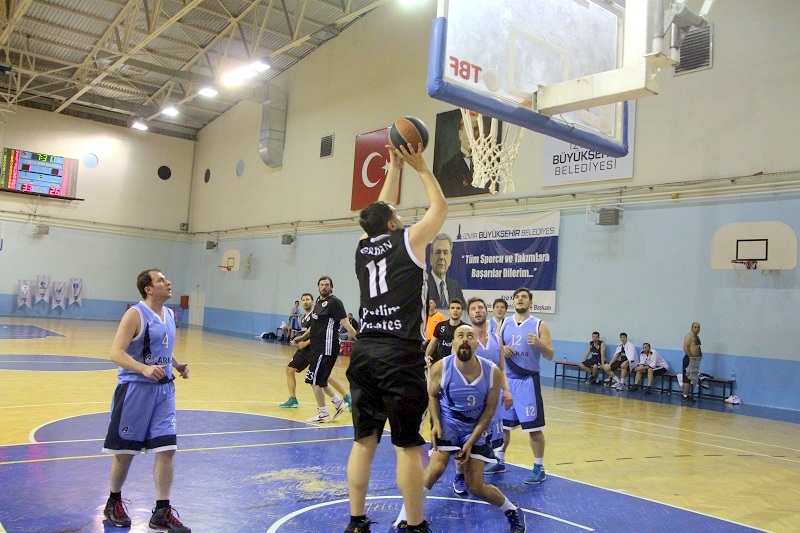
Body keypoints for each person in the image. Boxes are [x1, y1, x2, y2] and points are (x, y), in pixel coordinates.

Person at [345, 141, 447, 533]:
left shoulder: (361, 247)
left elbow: (378, 211)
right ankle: (415, 524)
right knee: (407, 445)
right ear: (391, 224)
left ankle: (356, 521)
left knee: (363, 441)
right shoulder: (410, 240)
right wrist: (419, 166)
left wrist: (393, 168)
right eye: (397, 216)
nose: (401, 217)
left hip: (364, 351)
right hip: (399, 353)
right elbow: (440, 208)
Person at [393, 325, 526, 532]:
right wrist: (437, 423)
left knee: (475, 486)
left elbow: (489, 411)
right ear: (453, 343)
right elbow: (432, 395)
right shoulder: (441, 367)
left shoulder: (492, 372)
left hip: (477, 425)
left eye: (470, 336)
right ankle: (404, 519)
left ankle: (512, 511)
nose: (465, 339)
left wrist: (471, 441)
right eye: (460, 336)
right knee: (435, 468)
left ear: (476, 344)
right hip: (450, 421)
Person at [101, 269, 191, 532]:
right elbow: (116, 353)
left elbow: (163, 348)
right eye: (161, 280)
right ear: (148, 289)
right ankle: (113, 502)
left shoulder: (170, 314)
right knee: (125, 452)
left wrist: (176, 365)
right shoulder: (135, 314)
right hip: (135, 390)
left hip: (164, 391)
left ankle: (162, 511)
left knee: (167, 449)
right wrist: (143, 369)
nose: (168, 282)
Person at [496, 287, 554, 485]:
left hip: (527, 382)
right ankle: (499, 460)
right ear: (513, 301)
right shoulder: (504, 323)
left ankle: (539, 467)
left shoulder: (539, 325)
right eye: (517, 297)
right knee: (503, 426)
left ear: (530, 301)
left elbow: (550, 355)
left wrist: (540, 344)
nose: (520, 299)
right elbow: (495, 346)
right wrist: (502, 347)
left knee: (533, 428)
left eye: (524, 297)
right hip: (507, 382)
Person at [290, 276, 357, 423]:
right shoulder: (319, 302)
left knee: (314, 380)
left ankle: (323, 413)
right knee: (320, 379)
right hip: (316, 347)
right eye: (321, 284)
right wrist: (302, 337)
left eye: (327, 285)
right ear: (318, 286)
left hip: (326, 348)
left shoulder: (335, 303)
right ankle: (338, 403)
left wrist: (360, 339)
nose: (324, 287)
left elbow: (346, 324)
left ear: (331, 286)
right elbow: (314, 325)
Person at [462, 297, 513, 480]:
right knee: (468, 437)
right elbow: (456, 369)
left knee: (491, 436)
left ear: (486, 311)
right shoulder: (464, 340)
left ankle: (489, 467)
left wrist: (507, 390)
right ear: (469, 314)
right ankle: (460, 475)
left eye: (480, 307)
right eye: (473, 308)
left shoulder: (496, 339)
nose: (477, 311)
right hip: (472, 398)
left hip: (493, 397)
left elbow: (501, 368)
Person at [280, 293, 352, 410]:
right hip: (304, 350)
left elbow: (318, 332)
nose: (305, 302)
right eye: (303, 300)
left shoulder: (317, 314)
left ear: (313, 301)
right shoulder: (304, 317)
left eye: (308, 299)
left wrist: (305, 342)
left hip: (315, 348)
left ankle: (345, 397)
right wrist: (300, 339)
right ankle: (293, 399)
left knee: (322, 377)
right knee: (290, 370)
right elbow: (309, 332)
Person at [436, 111, 489, 198]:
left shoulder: (489, 165)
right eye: (468, 130)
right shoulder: (447, 168)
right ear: (460, 134)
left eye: (476, 129)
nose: (472, 135)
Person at [426, 233, 466, 308]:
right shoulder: (423, 285)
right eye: (438, 252)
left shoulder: (455, 286)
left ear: (450, 258)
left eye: (445, 253)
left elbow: (464, 311)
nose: (442, 257)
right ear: (431, 258)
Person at [424, 299, 465, 367]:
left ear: (462, 311)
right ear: (449, 311)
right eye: (452, 308)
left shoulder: (466, 328)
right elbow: (432, 343)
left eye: (458, 308)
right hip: (442, 364)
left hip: (459, 365)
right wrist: (427, 356)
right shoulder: (440, 326)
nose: (455, 310)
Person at [682, 322, 703, 403]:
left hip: (694, 360)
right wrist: (690, 357)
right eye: (695, 327)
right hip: (689, 359)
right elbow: (685, 347)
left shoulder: (696, 337)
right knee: (687, 378)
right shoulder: (689, 336)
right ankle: (684, 396)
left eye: (698, 327)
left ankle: (687, 394)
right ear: (691, 328)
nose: (697, 329)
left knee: (691, 378)